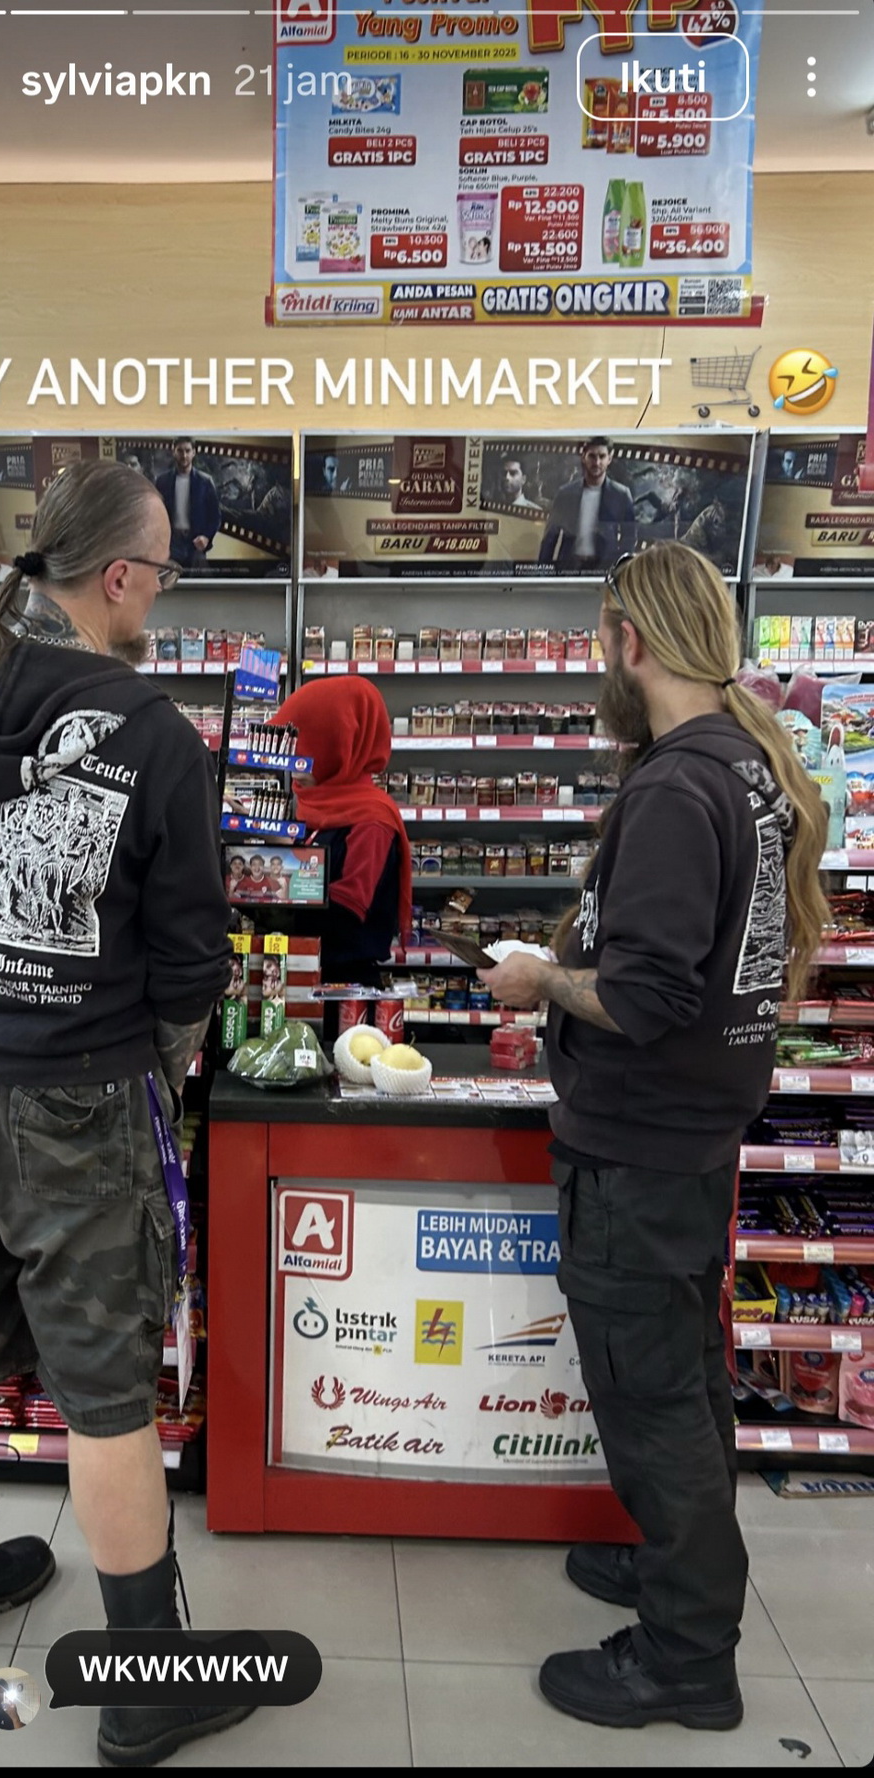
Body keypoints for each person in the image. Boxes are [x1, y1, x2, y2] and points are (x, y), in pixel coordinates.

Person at [0, 460, 252, 1767]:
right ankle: (148, 1679)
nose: (162, 593)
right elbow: (193, 957)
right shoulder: (149, 732)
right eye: (163, 572)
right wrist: (152, 1062)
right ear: (123, 575)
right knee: (105, 1399)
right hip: (84, 1099)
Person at [477, 541, 828, 1733]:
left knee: (652, 1400)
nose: (596, 663)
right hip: (687, 1136)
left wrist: (539, 978)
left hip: (638, 1148)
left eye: (598, 640)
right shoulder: (742, 766)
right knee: (680, 1379)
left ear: (631, 641)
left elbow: (641, 995)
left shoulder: (676, 786)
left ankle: (686, 1657)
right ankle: (678, 1571)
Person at [271, 678, 412, 992]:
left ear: (337, 744)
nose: (290, 760)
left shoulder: (372, 821)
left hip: (344, 989)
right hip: (302, 972)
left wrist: (268, 889)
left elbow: (345, 916)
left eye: (302, 746)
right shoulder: (314, 804)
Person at [538, 438, 636, 572]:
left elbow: (629, 536)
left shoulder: (621, 494)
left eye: (602, 456)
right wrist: (541, 572)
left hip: (605, 568)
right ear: (584, 457)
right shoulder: (565, 494)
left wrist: (620, 567)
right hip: (569, 567)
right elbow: (551, 536)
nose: (597, 462)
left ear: (610, 459)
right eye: (592, 456)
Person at [154, 439, 220, 571]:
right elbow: (155, 514)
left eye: (187, 451)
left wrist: (206, 537)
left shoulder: (205, 482)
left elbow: (215, 516)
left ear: (193, 453)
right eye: (180, 451)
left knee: (197, 587)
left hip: (195, 544)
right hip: (171, 544)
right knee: (170, 585)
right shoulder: (162, 481)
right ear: (174, 452)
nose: (184, 455)